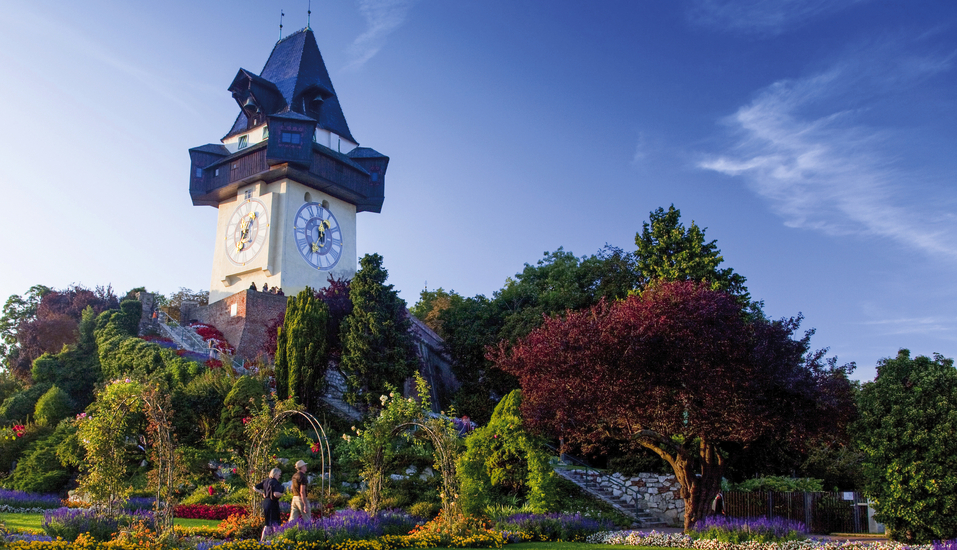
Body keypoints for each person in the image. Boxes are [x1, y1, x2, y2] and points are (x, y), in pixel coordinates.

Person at [254, 467, 284, 540]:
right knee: (274, 522)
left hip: (266, 502)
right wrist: (282, 494)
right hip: (272, 503)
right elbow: (275, 494)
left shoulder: (266, 481)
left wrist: (262, 493)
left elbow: (255, 487)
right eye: (279, 475)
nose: (279, 476)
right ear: (275, 474)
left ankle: (267, 539)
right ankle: (277, 539)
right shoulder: (275, 482)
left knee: (268, 522)